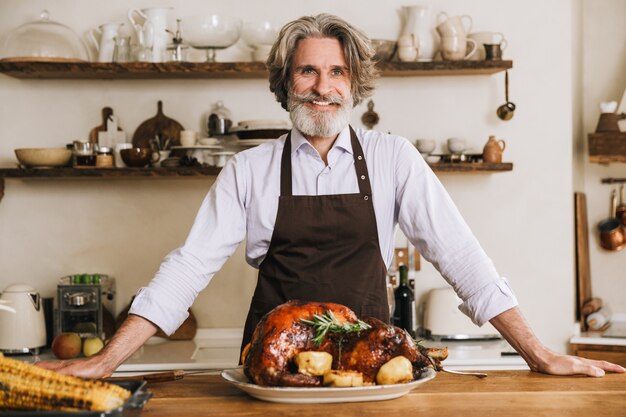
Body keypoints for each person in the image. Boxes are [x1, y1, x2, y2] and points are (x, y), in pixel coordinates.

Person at [38, 13, 624, 379]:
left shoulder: (394, 160)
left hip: (372, 372)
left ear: (355, 84)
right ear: (285, 84)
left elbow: (463, 258)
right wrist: (106, 359)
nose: (323, 88)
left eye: (338, 72)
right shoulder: (249, 171)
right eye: (308, 73)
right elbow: (185, 270)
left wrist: (537, 353)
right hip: (272, 378)